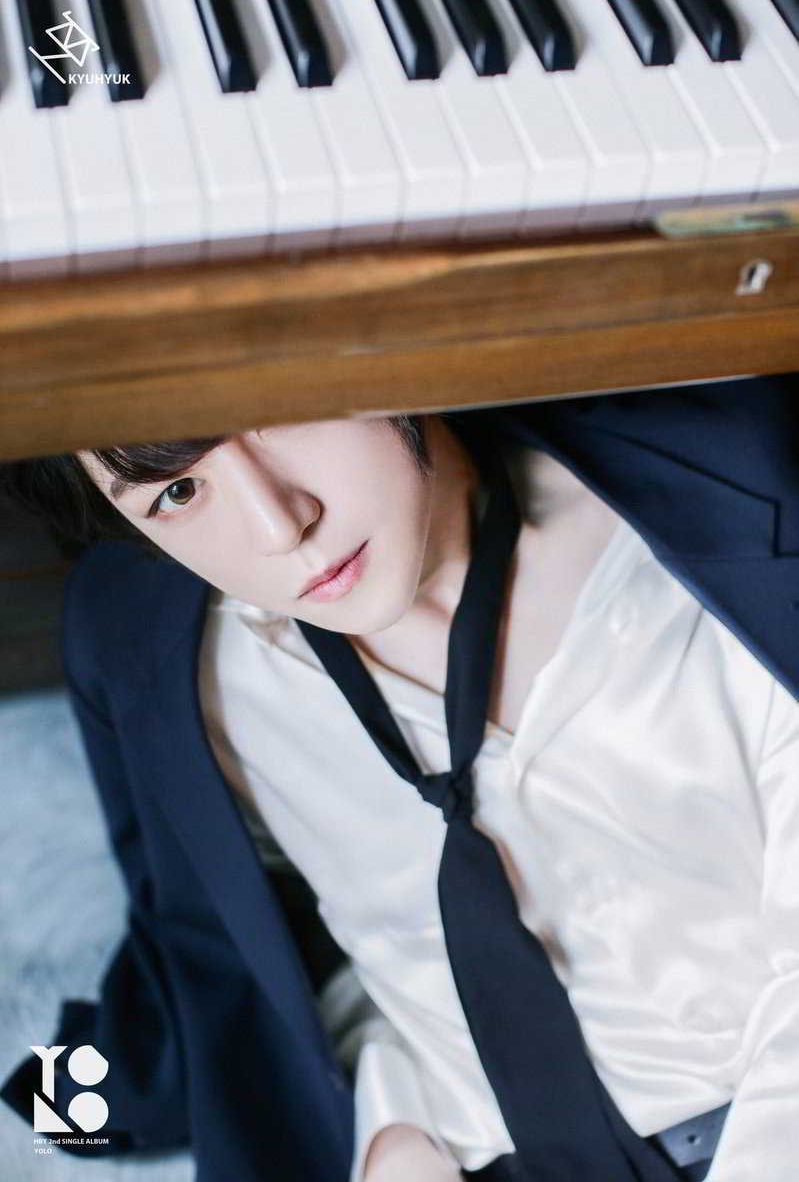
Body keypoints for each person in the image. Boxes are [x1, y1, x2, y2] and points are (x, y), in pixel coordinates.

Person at [1, 374, 798, 1182]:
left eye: (285, 411)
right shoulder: (162, 646)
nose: (279, 526)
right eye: (177, 493)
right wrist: (393, 1128)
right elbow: (222, 939)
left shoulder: (713, 514)